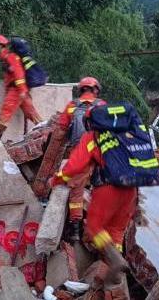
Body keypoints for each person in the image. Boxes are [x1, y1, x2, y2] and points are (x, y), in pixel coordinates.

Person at [50, 108, 135, 286]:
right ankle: (111, 276)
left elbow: (75, 167)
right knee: (116, 232)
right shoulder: (125, 135)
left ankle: (115, 260)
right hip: (131, 190)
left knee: (94, 228)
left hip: (110, 186)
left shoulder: (92, 138)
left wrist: (58, 179)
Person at [55, 77, 106, 242]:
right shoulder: (102, 105)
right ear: (95, 90)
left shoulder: (72, 106)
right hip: (100, 153)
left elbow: (61, 130)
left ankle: (75, 230)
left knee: (76, 192)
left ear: (81, 89)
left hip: (80, 153)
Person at [0, 35, 43, 125]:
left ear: (0, 46)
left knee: (5, 113)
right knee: (32, 113)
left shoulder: (10, 57)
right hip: (19, 90)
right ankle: (46, 130)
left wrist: (22, 90)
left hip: (16, 90)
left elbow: (19, 74)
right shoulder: (5, 58)